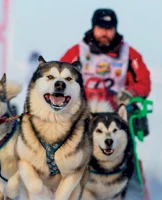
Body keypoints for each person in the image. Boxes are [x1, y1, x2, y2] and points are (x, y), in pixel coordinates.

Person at [60, 8, 151, 199]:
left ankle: (135, 191)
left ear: (115, 29)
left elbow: (144, 81)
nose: (105, 33)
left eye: (110, 28)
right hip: (84, 114)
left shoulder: (129, 54)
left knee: (128, 152)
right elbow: (61, 76)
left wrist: (132, 92)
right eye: (101, 28)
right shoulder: (77, 52)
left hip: (117, 115)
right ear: (93, 28)